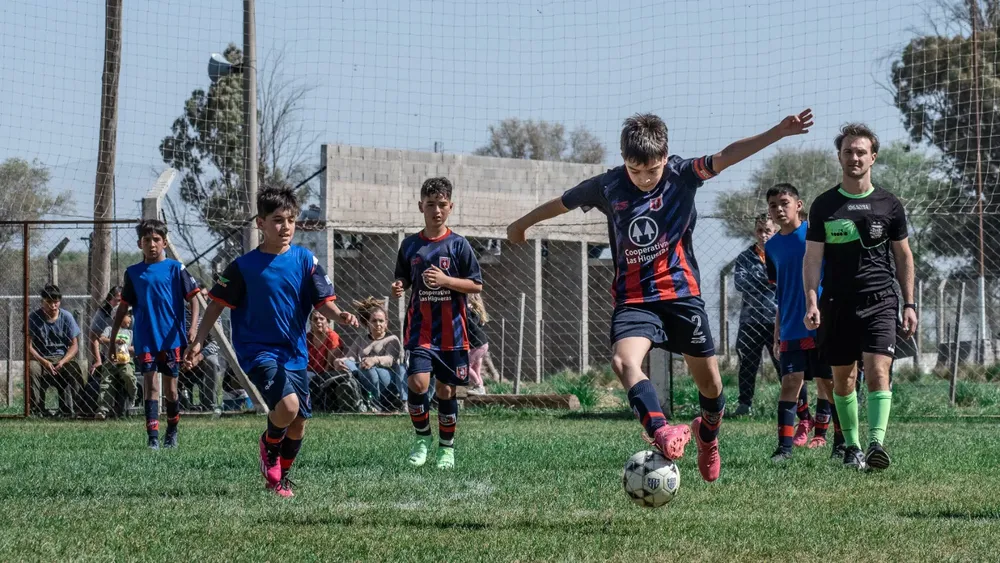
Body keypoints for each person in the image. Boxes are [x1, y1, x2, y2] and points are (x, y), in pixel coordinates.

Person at [507, 109, 813, 482]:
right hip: (634, 299)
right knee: (623, 361)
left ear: (665, 157)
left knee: (711, 387)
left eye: (652, 171)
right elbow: (562, 202)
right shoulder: (608, 185)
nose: (644, 179)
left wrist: (777, 132)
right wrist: (522, 224)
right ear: (624, 160)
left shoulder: (683, 174)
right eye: (635, 171)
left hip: (682, 296)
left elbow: (727, 155)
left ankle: (707, 435)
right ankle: (661, 429)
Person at [184, 186, 359, 497]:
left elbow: (323, 303)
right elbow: (215, 305)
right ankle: (268, 443)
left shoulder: (305, 260)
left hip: (294, 353)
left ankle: (279, 479)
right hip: (258, 352)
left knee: (299, 422)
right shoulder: (243, 267)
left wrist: (340, 315)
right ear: (260, 223)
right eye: (278, 220)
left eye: (291, 220)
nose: (286, 226)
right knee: (288, 407)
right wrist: (198, 340)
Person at [804, 123, 917, 471]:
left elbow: (903, 256)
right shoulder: (824, 205)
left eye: (861, 152)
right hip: (836, 303)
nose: (855, 157)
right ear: (840, 157)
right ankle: (852, 447)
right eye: (848, 151)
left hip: (881, 300)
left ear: (873, 157)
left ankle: (876, 444)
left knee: (879, 370)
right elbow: (813, 258)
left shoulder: (889, 204)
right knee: (844, 379)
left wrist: (909, 303)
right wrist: (812, 299)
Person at [393, 176, 483, 470]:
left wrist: (446, 280)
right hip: (420, 329)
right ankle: (422, 439)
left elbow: (476, 285)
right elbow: (403, 276)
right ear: (421, 206)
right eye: (430, 204)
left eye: (442, 204)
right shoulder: (410, 245)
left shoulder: (459, 245)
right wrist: (399, 285)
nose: (436, 210)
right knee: (417, 382)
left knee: (445, 391)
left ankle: (446, 448)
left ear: (450, 207)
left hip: (452, 333)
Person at [110, 219, 201, 450]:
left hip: (171, 339)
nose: (152, 244)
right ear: (140, 243)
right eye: (147, 240)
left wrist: (192, 328)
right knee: (151, 385)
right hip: (146, 339)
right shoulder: (133, 273)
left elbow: (194, 299)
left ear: (164, 243)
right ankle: (152, 439)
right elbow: (123, 307)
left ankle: (172, 432)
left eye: (156, 240)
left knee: (171, 389)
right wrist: (112, 340)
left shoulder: (176, 268)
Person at [764, 183, 837, 462]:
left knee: (828, 383)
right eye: (773, 205)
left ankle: (841, 444)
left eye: (784, 203)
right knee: (790, 382)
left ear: (799, 205)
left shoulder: (815, 235)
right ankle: (783, 449)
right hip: (791, 326)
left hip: (821, 322)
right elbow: (781, 293)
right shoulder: (771, 247)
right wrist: (777, 331)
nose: (779, 209)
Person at [731, 214, 780, 416]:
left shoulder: (781, 254)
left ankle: (794, 404)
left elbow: (786, 280)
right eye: (760, 230)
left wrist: (761, 278)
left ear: (775, 231)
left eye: (767, 230)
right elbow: (740, 283)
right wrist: (770, 279)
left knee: (783, 363)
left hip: (776, 319)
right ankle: (744, 405)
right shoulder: (745, 257)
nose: (763, 235)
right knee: (748, 364)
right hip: (750, 320)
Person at [337, 297, 407, 411]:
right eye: (374, 321)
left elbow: (390, 359)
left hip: (385, 377)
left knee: (368, 369)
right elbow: (350, 357)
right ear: (368, 323)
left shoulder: (392, 339)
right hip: (362, 372)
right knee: (348, 363)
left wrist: (374, 360)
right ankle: (351, 393)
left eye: (381, 321)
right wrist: (340, 361)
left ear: (386, 323)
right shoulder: (361, 339)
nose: (378, 324)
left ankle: (375, 403)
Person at [28, 284, 85, 417]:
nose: (53, 306)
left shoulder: (67, 317)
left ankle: (80, 409)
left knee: (75, 368)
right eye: (49, 302)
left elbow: (74, 345)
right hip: (41, 358)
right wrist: (44, 362)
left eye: (56, 302)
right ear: (42, 302)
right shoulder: (34, 317)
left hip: (62, 357)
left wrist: (63, 361)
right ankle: (36, 409)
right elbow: (28, 346)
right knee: (32, 368)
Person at [306, 311, 361, 412]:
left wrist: (320, 377)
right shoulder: (307, 337)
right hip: (309, 371)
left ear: (327, 321)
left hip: (325, 373)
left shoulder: (332, 337)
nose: (318, 321)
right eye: (315, 319)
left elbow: (329, 365)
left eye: (322, 319)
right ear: (311, 322)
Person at [96, 307, 137, 419]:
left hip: (126, 361)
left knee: (128, 375)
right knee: (106, 382)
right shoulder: (109, 329)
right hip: (111, 360)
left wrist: (126, 348)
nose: (130, 318)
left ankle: (133, 395)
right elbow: (101, 339)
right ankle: (103, 410)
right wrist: (115, 341)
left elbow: (135, 348)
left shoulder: (130, 332)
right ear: (117, 317)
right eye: (128, 316)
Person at [88, 286, 122, 377]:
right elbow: (94, 337)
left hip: (127, 355)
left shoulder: (130, 314)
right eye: (117, 300)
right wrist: (98, 360)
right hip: (107, 354)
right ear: (109, 300)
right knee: (95, 376)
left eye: (122, 301)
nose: (119, 304)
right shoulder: (103, 313)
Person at [465, 293, 490, 395]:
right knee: (476, 368)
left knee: (464, 366)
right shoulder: (478, 310)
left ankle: (478, 386)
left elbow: (468, 323)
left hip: (478, 345)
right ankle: (481, 389)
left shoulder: (469, 310)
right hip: (482, 344)